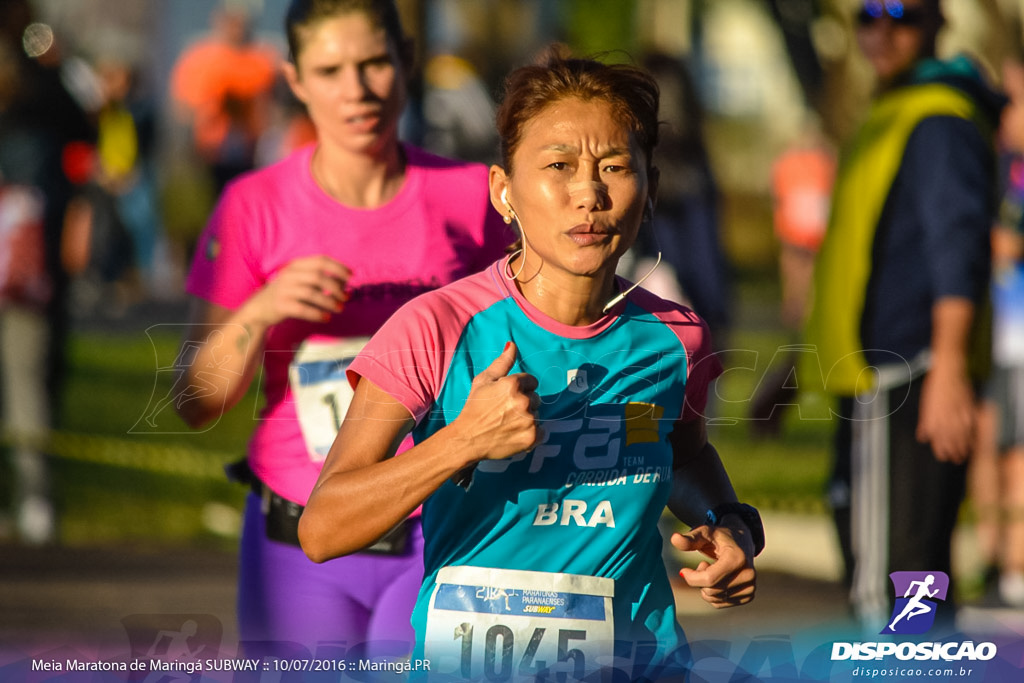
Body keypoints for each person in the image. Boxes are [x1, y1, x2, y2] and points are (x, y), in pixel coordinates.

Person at [299, 50, 762, 681]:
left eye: (615, 167)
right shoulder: (435, 328)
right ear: (503, 191)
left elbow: (679, 455)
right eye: (558, 166)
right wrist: (462, 440)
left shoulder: (675, 338)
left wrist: (728, 524)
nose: (589, 194)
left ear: (648, 188)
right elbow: (323, 529)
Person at [169, 0, 511, 659]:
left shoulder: (473, 194)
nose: (356, 90)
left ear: (406, 62)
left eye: (374, 63)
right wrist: (261, 309)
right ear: (294, 80)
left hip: (438, 528)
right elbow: (194, 401)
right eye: (329, 70)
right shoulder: (253, 205)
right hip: (297, 538)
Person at [802, 0, 1003, 631]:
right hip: (872, 375)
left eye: (903, 15)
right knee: (911, 576)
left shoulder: (937, 119)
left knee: (891, 581)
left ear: (936, 23)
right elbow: (864, 257)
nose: (883, 30)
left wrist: (947, 368)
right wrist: (796, 362)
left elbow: (957, 248)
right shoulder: (891, 109)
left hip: (904, 377)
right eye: (869, 15)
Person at [0, 0, 94, 545]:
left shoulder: (44, 83)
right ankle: (34, 497)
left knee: (27, 373)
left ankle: (34, 498)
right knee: (29, 375)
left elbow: (82, 148)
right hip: (32, 267)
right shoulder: (48, 80)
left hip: (28, 266)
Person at [969, 52, 1024, 608]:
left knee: (1017, 454)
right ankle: (992, 559)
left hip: (1018, 334)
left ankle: (1016, 567)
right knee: (983, 446)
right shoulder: (993, 163)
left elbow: (1004, 245)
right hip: (987, 333)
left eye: (1012, 101)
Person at [169, 1, 280, 194]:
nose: (236, 25)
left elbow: (274, 111)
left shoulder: (264, 60)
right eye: (231, 19)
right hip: (209, 153)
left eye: (240, 19)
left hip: (251, 153)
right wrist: (212, 107)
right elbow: (182, 110)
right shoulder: (199, 58)